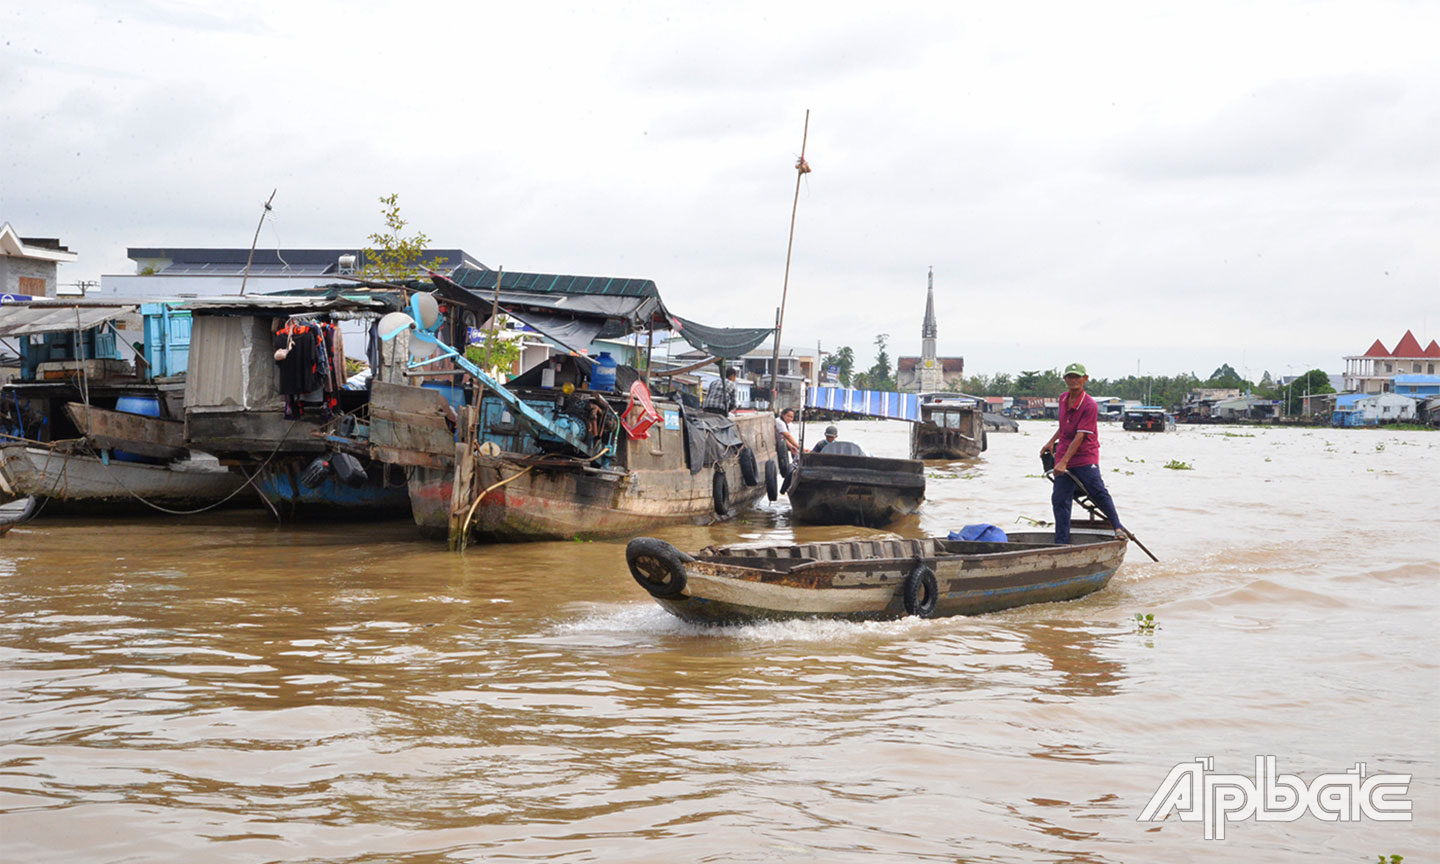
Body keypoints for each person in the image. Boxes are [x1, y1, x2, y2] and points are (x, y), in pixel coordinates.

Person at [1040, 362, 1126, 543]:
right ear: (1065, 379)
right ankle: (1061, 541)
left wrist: (1063, 462)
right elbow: (1064, 427)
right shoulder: (1063, 399)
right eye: (1070, 377)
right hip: (1064, 452)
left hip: (1085, 455)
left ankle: (1117, 526)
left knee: (1097, 491)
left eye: (1077, 377)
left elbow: (1080, 436)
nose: (1073, 380)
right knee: (1059, 498)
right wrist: (1050, 442)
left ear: (1085, 379)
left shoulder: (1089, 405)